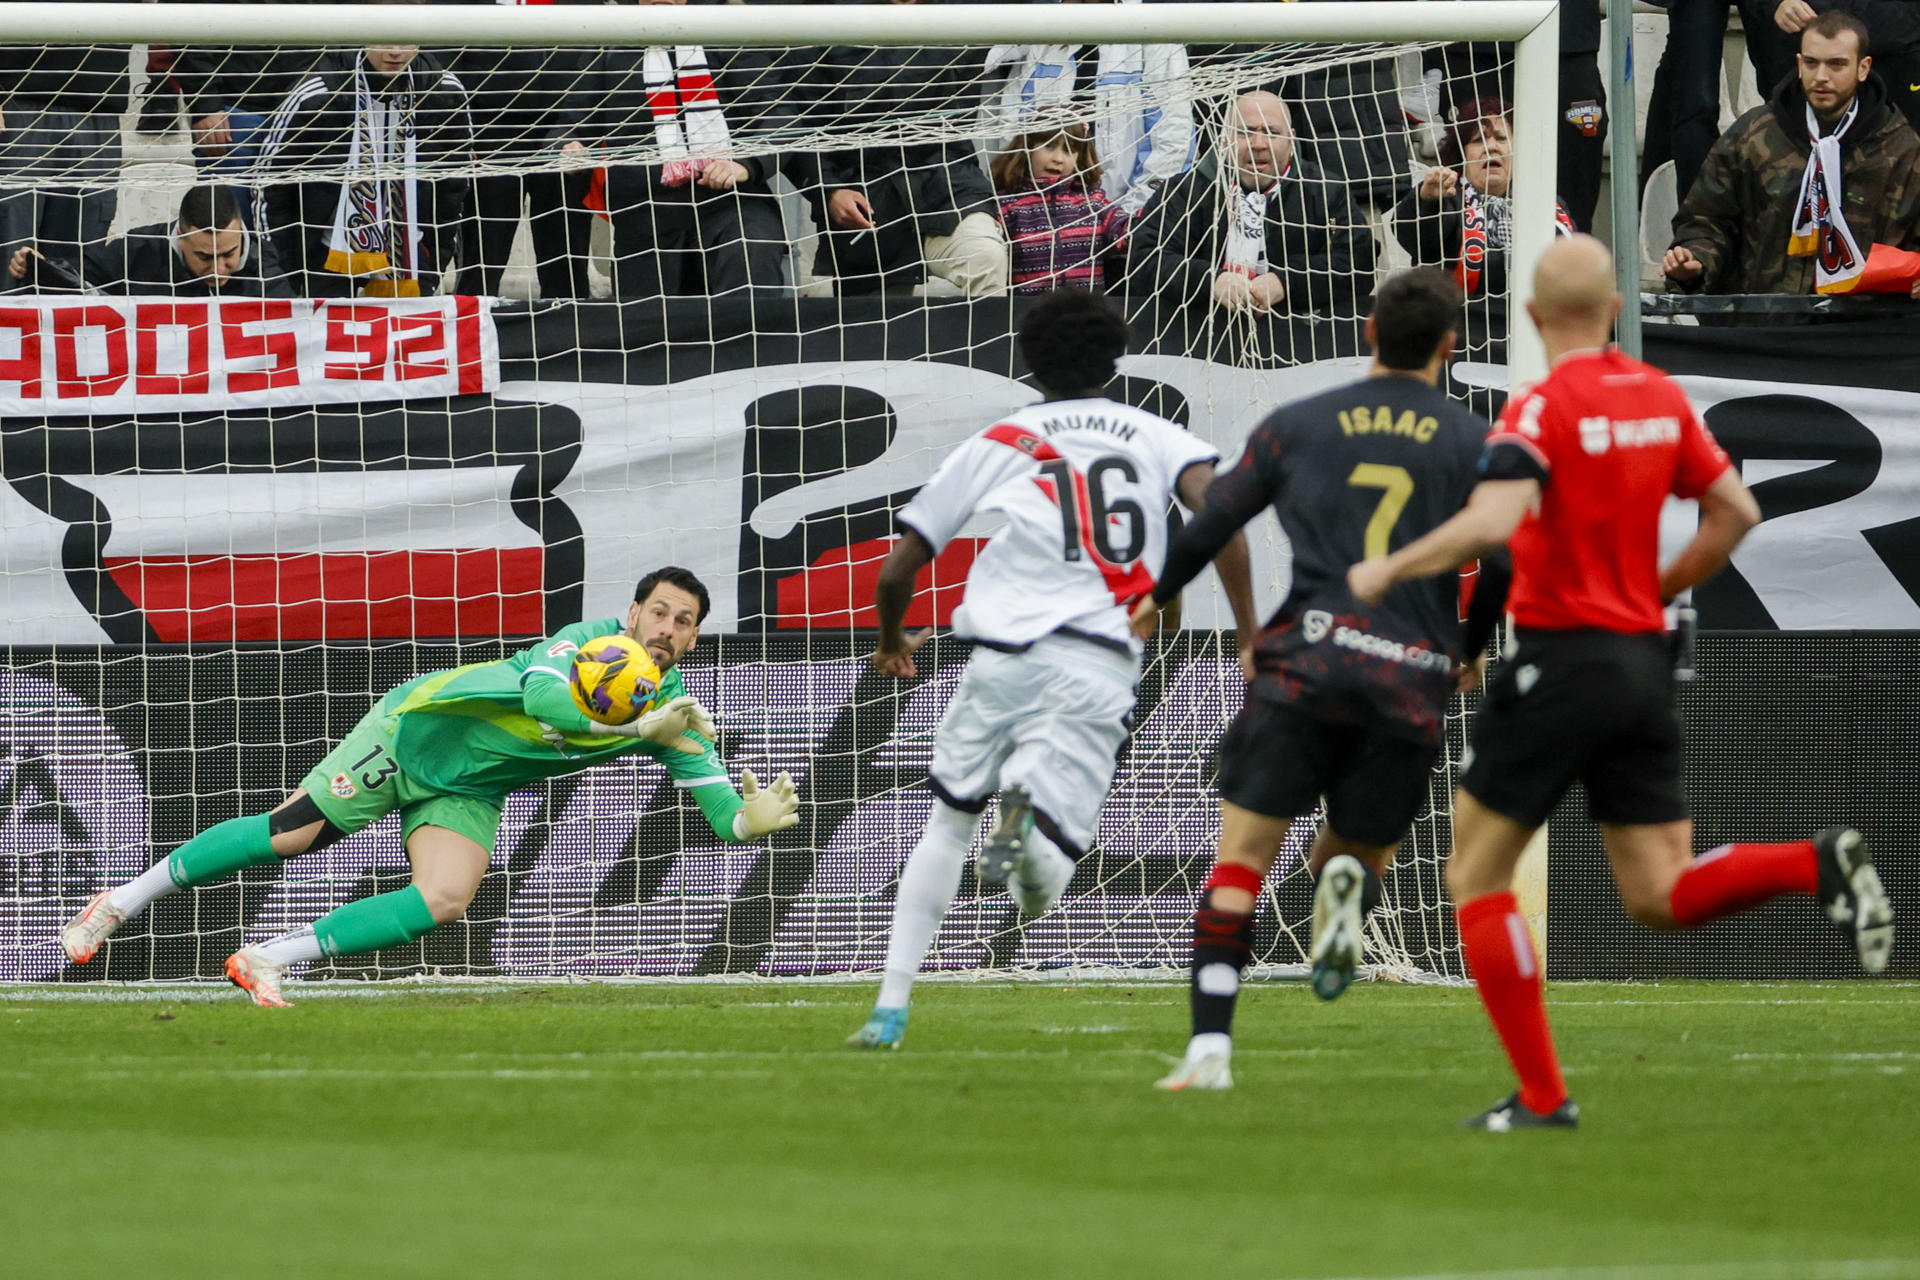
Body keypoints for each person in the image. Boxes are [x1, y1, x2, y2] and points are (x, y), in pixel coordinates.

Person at [1349, 236, 1893, 1130]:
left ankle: (1542, 1095)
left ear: (1530, 316)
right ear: (1613, 311)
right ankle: (1810, 862)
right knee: (1658, 894)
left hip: (1562, 661)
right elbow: (1737, 512)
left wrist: (1389, 571)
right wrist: (1659, 587)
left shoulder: (1538, 410)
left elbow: (1493, 524)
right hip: (1646, 662)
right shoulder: (1661, 400)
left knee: (1474, 874)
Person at [60, 568, 802, 1006]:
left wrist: (747, 822)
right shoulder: (579, 643)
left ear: (694, 638)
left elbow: (718, 808)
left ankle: (270, 958)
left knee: (446, 899)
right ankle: (118, 904)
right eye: (660, 613)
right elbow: (545, 702)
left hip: (471, 789)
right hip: (415, 735)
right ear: (633, 612)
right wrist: (636, 734)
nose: (667, 629)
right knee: (290, 834)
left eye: (685, 622)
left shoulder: (674, 712)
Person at [847, 290, 1258, 1049]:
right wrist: (1247, 633)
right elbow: (1223, 517)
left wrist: (892, 639)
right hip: (1096, 663)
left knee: (944, 823)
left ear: (1029, 363)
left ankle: (891, 1005)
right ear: (1115, 356)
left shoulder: (1001, 435)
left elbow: (902, 564)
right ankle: (1027, 818)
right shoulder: (1156, 433)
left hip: (1000, 660)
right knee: (1040, 884)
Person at [1133, 268, 1504, 1092]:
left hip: (1303, 666)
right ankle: (1347, 889)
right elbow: (1506, 556)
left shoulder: (1297, 424)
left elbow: (1212, 520)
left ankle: (1209, 1054)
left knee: (1241, 862)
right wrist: (1470, 648)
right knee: (1358, 852)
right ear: (1449, 345)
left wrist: (1153, 598)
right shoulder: (1476, 441)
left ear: (1368, 332)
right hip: (1409, 677)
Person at [1663, 11, 1920, 299]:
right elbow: (1706, 219)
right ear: (1799, 64)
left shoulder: (1902, 148)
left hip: (1861, 333)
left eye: (1836, 65)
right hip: (1763, 327)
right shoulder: (1752, 136)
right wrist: (1696, 259)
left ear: (1863, 68)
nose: (1821, 77)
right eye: (1812, 63)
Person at [564, 0, 797, 302]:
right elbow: (573, 122)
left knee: (752, 244)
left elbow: (779, 115)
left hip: (730, 201)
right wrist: (569, 146)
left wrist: (744, 164)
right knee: (647, 331)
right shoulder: (610, 42)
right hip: (644, 212)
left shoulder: (728, 33)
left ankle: (745, 346)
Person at [787, 7, 1009, 298]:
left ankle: (989, 344)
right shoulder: (827, 20)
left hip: (949, 190)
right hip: (867, 208)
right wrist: (829, 191)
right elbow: (795, 124)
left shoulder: (959, 14)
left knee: (986, 258)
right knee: (875, 330)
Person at [254, 39, 475, 298]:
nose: (395, 52)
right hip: (327, 254)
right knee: (332, 336)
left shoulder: (444, 90)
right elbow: (268, 181)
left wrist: (434, 259)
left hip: (411, 253)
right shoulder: (318, 91)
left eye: (406, 42)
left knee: (407, 337)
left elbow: (455, 185)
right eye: (384, 40)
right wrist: (288, 273)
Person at [1125, 92, 1375, 318]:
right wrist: (1211, 281)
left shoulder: (1326, 190)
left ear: (1291, 140)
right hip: (1198, 343)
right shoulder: (1183, 192)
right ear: (1224, 141)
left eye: (1272, 132)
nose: (1258, 144)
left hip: (1300, 342)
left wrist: (1286, 282)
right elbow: (1144, 259)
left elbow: (1360, 263)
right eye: (1245, 132)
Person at [984, 0, 1196, 219]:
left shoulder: (1153, 36)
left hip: (1127, 218)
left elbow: (1172, 141)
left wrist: (1127, 219)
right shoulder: (1042, 35)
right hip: (1041, 219)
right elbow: (1013, 135)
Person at [1391, 98, 1577, 300]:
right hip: (1466, 324)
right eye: (1479, 140)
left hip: (1534, 325)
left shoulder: (1547, 204)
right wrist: (1426, 201)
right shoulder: (1448, 199)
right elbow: (1411, 235)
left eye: (1501, 138)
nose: (1492, 147)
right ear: (1463, 155)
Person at [6, 184, 287, 297]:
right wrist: (39, 267)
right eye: (204, 257)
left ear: (241, 236)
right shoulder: (139, 247)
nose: (218, 268)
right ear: (180, 237)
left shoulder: (263, 262)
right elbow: (77, 274)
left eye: (228, 254)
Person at [992, 117, 1130, 294]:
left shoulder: (1092, 202)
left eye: (1069, 150)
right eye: (1049, 146)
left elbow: (1123, 228)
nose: (1058, 158)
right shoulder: (1006, 206)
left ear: (1080, 158)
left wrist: (1147, 220)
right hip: (1028, 314)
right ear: (1027, 149)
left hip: (1086, 313)